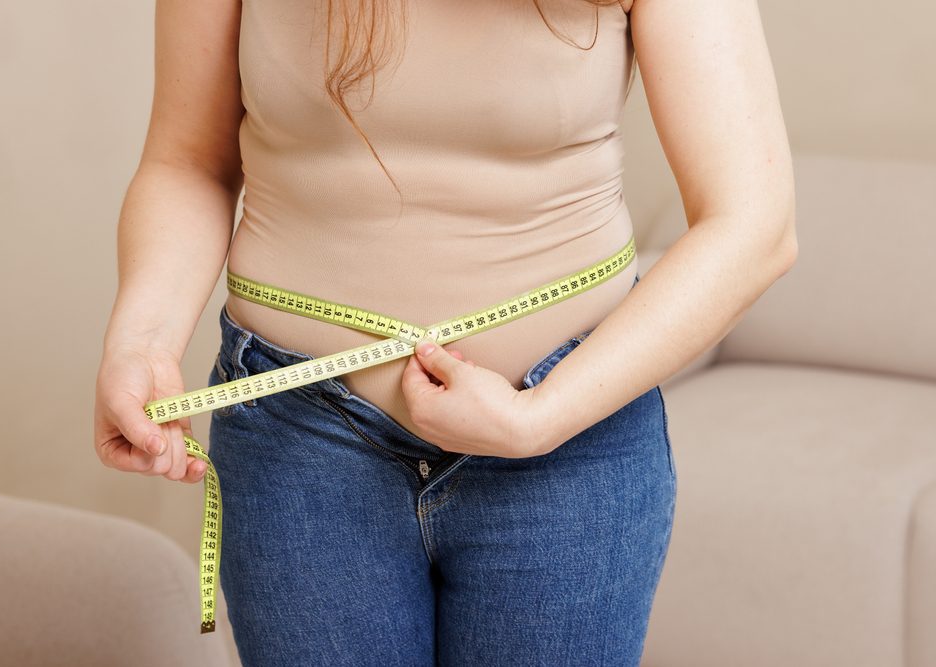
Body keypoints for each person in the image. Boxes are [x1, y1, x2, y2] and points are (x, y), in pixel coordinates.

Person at [93, 0, 797, 664]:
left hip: (570, 443)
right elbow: (188, 160)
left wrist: (536, 417)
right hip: (297, 436)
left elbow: (754, 223)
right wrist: (144, 338)